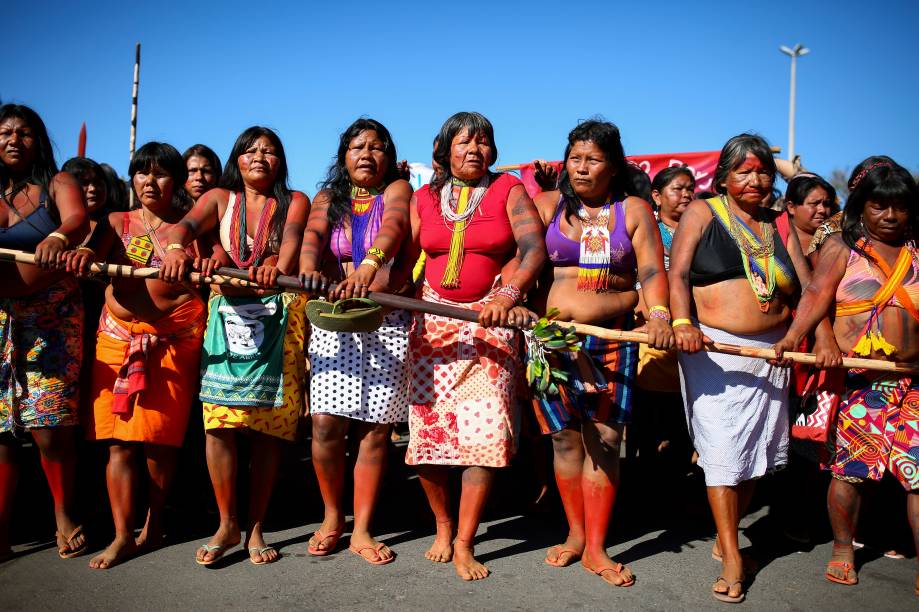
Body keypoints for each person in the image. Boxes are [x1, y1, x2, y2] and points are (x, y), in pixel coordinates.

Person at [668, 133, 838, 603]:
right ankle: (731, 554)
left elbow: (808, 290)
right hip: (712, 351)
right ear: (723, 176)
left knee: (753, 459)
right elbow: (677, 274)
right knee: (723, 454)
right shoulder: (703, 212)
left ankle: (730, 535)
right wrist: (682, 322)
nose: (755, 180)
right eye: (743, 171)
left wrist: (822, 338)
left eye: (762, 171)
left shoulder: (780, 222)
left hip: (773, 353)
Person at [400, 112, 546, 580]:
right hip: (431, 324)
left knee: (483, 438)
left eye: (484, 142)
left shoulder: (508, 190)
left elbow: (533, 248)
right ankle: (442, 526)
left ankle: (465, 541)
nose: (475, 149)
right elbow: (402, 254)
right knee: (430, 437)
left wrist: (508, 293)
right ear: (444, 149)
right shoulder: (423, 198)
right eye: (465, 141)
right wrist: (368, 282)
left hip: (490, 322)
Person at [527, 120, 673, 586]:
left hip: (611, 338)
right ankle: (574, 534)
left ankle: (596, 546)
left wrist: (661, 316)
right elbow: (525, 258)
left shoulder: (633, 209)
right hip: (551, 340)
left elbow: (651, 271)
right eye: (575, 158)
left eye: (592, 159)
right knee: (564, 438)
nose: (582, 167)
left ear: (613, 165)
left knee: (606, 440)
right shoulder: (548, 205)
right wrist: (509, 298)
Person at [161, 126, 310, 566]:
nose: (259, 157)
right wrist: (174, 247)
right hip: (227, 315)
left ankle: (257, 526)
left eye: (269, 151)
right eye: (250, 150)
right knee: (220, 423)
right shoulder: (220, 198)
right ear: (237, 158)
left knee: (268, 428)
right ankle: (227, 524)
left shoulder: (294, 200)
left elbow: (290, 245)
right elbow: (185, 225)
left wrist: (274, 267)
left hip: (279, 313)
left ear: (280, 161)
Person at [773, 156, 919, 596]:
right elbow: (815, 295)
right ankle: (842, 549)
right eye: (878, 207)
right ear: (862, 207)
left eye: (899, 207)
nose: (890, 217)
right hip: (860, 382)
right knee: (850, 472)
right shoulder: (842, 247)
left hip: (914, 382)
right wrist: (794, 338)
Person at [65, 142, 206, 569]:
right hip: (117, 337)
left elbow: (212, 267)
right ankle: (123, 534)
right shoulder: (115, 221)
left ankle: (155, 522)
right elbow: (92, 251)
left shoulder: (193, 224)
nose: (150, 181)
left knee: (159, 443)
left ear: (176, 180)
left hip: (174, 339)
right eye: (142, 173)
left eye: (161, 173)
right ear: (132, 179)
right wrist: (85, 256)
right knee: (119, 444)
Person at [298, 118, 412, 564]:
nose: (367, 154)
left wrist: (371, 264)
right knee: (326, 423)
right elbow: (311, 239)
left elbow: (394, 229)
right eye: (358, 146)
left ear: (388, 156)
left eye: (377, 147)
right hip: (333, 317)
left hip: (387, 318)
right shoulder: (328, 198)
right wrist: (308, 267)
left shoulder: (397, 191)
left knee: (375, 430)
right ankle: (332, 517)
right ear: (343, 155)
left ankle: (363, 528)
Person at [0, 103, 88, 561]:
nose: (15, 140)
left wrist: (56, 237)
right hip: (1, 319)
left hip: (52, 317)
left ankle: (64, 514)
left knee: (49, 426)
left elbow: (77, 221)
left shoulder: (58, 183)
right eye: (5, 132)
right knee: (0, 432)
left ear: (39, 140)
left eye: (26, 133)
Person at [634, 166, 696, 479]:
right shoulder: (648, 231)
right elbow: (640, 280)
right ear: (656, 196)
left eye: (690, 189)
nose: (686, 195)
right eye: (678, 189)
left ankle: (677, 494)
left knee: (686, 423)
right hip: (652, 335)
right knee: (651, 421)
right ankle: (649, 491)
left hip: (692, 337)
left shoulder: (701, 230)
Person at [776, 173, 838, 257]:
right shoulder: (775, 241)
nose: (822, 210)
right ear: (791, 207)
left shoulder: (840, 240)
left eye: (827, 204)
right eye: (814, 203)